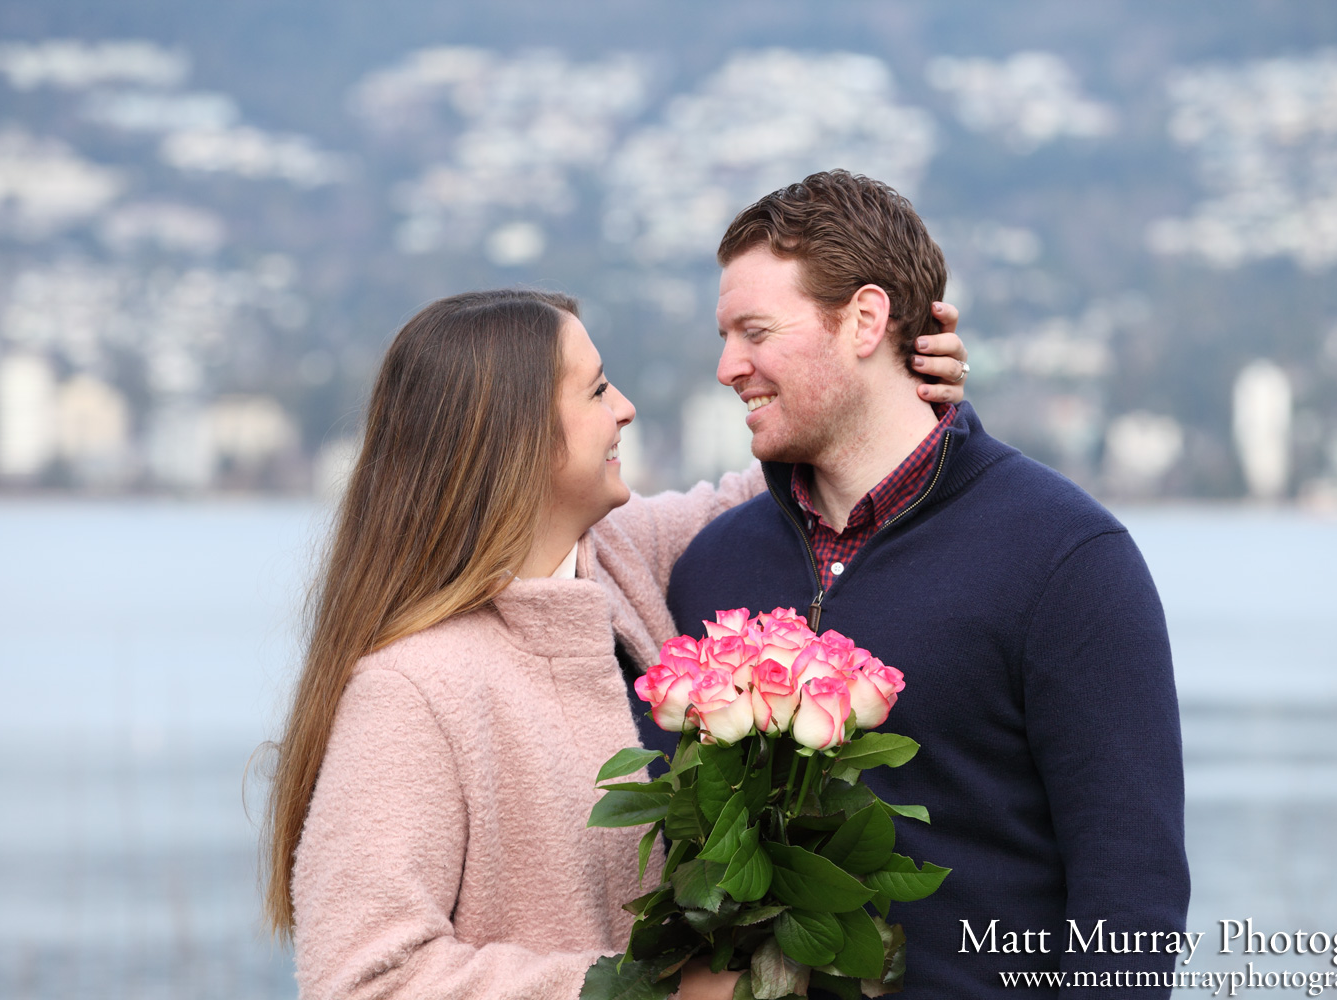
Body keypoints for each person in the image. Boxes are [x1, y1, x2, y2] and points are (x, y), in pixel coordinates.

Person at [259, 288, 970, 999]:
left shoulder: (619, 559)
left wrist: (899, 398)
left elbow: (773, 491)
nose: (625, 407)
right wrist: (652, 992)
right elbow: (361, 981)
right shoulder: (409, 692)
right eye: (597, 389)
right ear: (516, 433)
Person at [662, 171, 1190, 999]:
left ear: (865, 320)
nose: (729, 365)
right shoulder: (714, 572)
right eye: (726, 335)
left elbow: (1132, 897)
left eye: (755, 330)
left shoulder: (1065, 558)